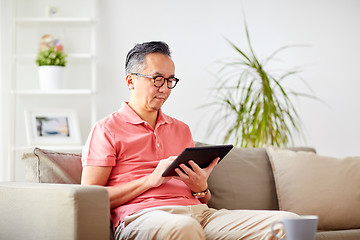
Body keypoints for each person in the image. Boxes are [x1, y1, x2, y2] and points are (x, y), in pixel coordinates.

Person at [81, 41, 297, 240]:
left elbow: (203, 198)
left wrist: (201, 188)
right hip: (143, 216)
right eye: (157, 79)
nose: (165, 89)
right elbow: (89, 198)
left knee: (289, 223)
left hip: (200, 214)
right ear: (131, 80)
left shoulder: (181, 129)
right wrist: (149, 181)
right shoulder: (106, 129)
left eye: (170, 80)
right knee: (184, 228)